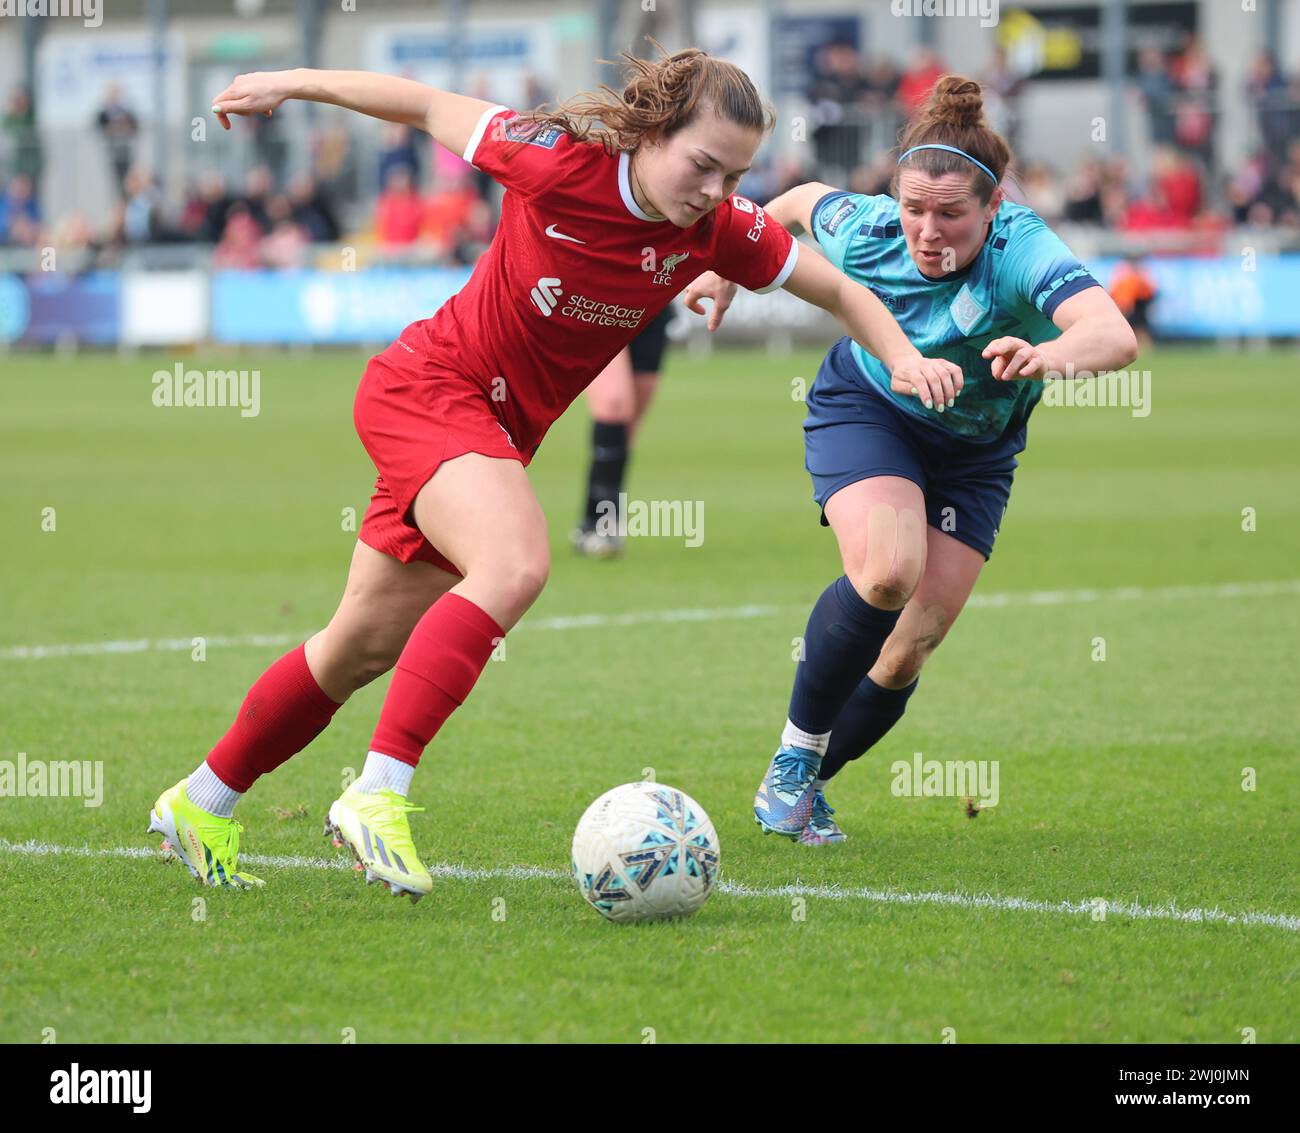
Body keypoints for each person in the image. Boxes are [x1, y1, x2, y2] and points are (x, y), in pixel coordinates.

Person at [145, 49, 964, 899]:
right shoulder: (554, 159)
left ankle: (202, 801)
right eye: (704, 164)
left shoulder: (717, 229)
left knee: (356, 647)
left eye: (738, 174)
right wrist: (294, 83)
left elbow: (838, 290)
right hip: (429, 388)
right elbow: (426, 102)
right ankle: (378, 791)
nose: (718, 191)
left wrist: (903, 358)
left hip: (489, 429)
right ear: (653, 133)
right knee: (515, 562)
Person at [683, 76, 1138, 846]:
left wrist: (1049, 352)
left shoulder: (1020, 247)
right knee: (889, 571)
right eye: (913, 208)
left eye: (951, 214)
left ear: (993, 209)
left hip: (976, 450)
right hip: (871, 409)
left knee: (905, 653)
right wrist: (728, 265)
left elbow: (1113, 335)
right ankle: (797, 758)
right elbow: (792, 204)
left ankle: (799, 783)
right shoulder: (867, 227)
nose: (927, 231)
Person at [571, 306, 675, 557]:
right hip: (600, 302)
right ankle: (603, 524)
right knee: (614, 405)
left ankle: (589, 520)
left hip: (653, 301)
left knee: (625, 428)